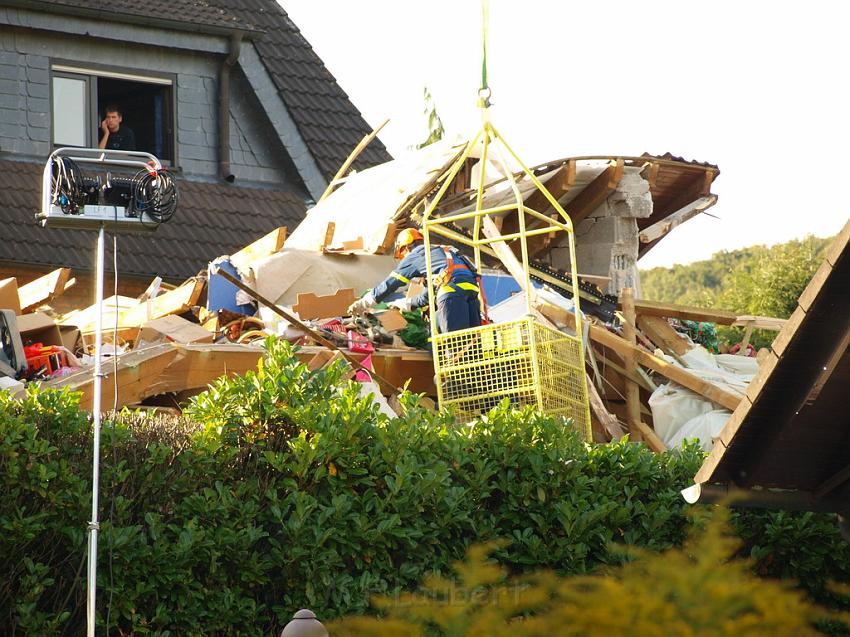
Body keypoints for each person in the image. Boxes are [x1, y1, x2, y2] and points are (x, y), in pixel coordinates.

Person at [347, 228, 482, 334]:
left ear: (406, 248)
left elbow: (390, 283)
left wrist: (363, 303)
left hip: (451, 295)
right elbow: (425, 297)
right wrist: (404, 304)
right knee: (472, 345)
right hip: (472, 292)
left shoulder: (416, 254)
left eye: (403, 255)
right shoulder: (439, 253)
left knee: (455, 345)